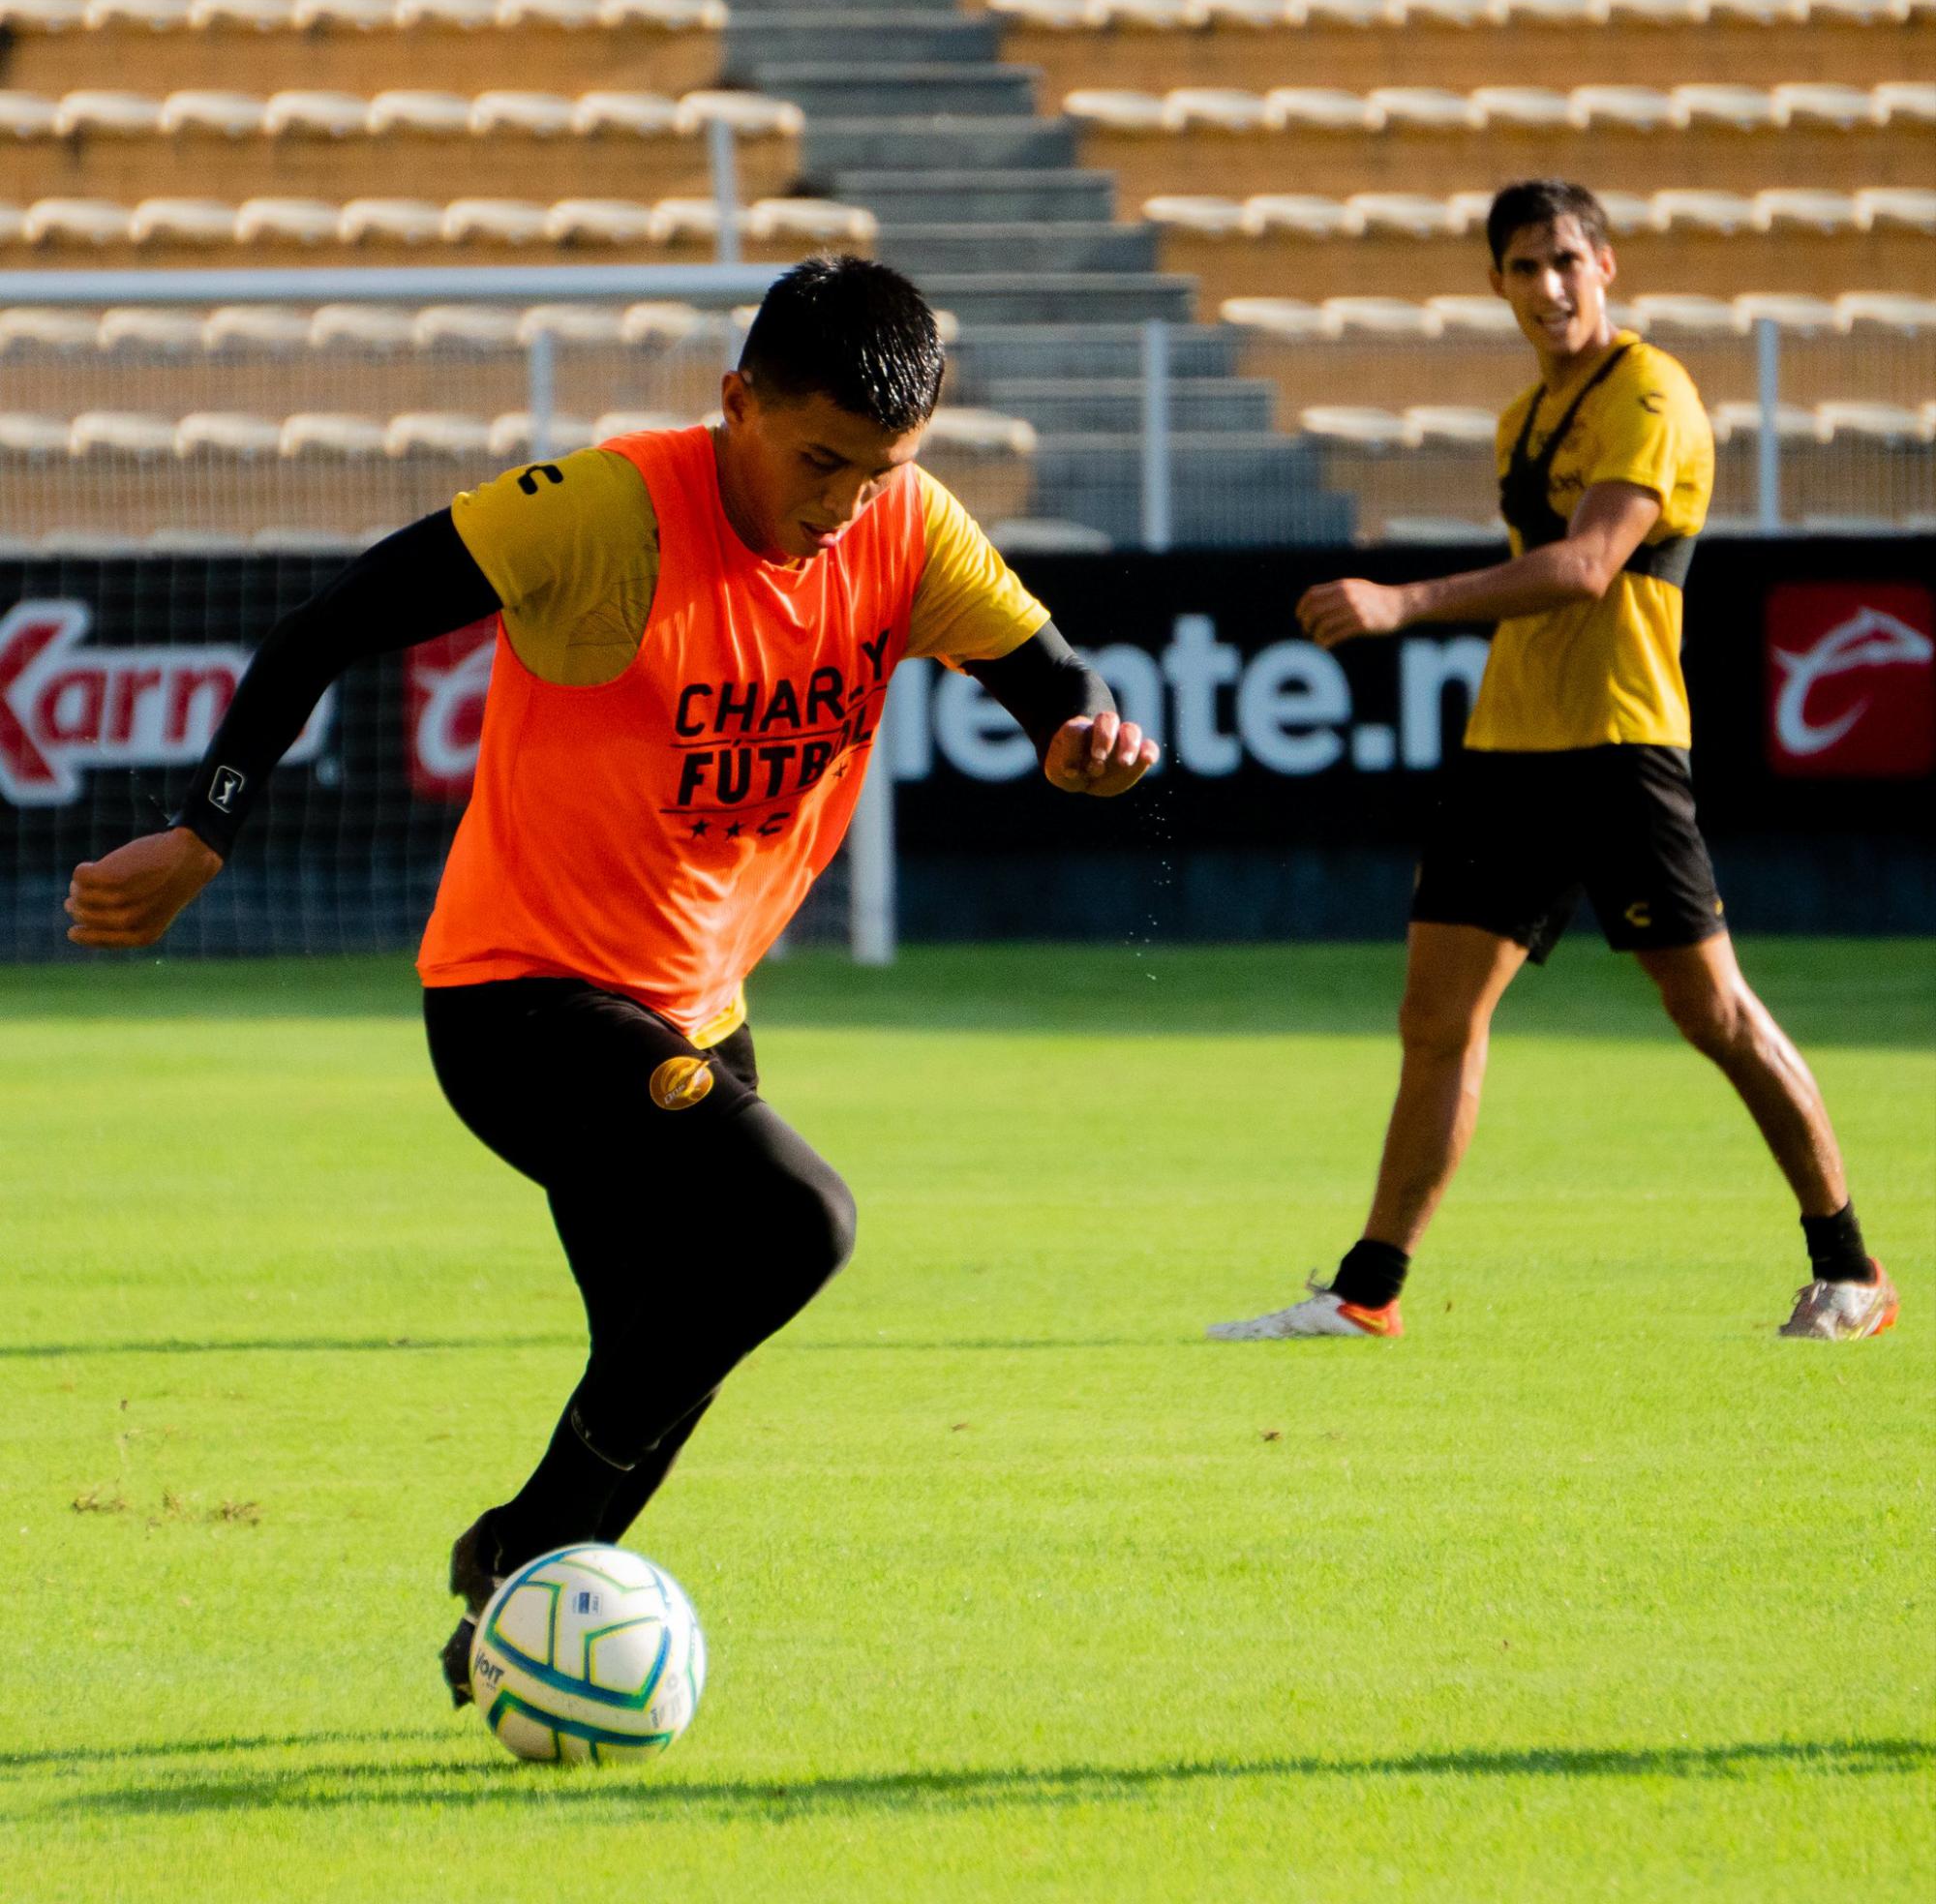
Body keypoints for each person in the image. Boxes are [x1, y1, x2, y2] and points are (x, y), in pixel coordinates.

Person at [64, 257, 1162, 1703]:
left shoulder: (905, 527)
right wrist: (207, 829)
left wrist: (1087, 741)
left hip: (699, 1008)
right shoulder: (608, 509)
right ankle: (520, 1543)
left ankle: (513, 1653)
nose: (843, 500)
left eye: (879, 468)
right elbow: (325, 626)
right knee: (799, 1224)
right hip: (520, 1003)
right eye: (819, 459)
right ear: (736, 405)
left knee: (661, 1362)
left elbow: (1059, 686)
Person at [1207, 179, 1894, 1347]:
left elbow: (1585, 569)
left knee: (1710, 1009)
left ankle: (1849, 1269)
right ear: (1495, 285)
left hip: (1619, 744)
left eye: (1564, 260)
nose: (1546, 285)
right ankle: (1365, 1290)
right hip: (1508, 750)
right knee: (1433, 1018)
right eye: (1521, 267)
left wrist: (1399, 600)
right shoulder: (1523, 415)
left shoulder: (1650, 392)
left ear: (1605, 264)